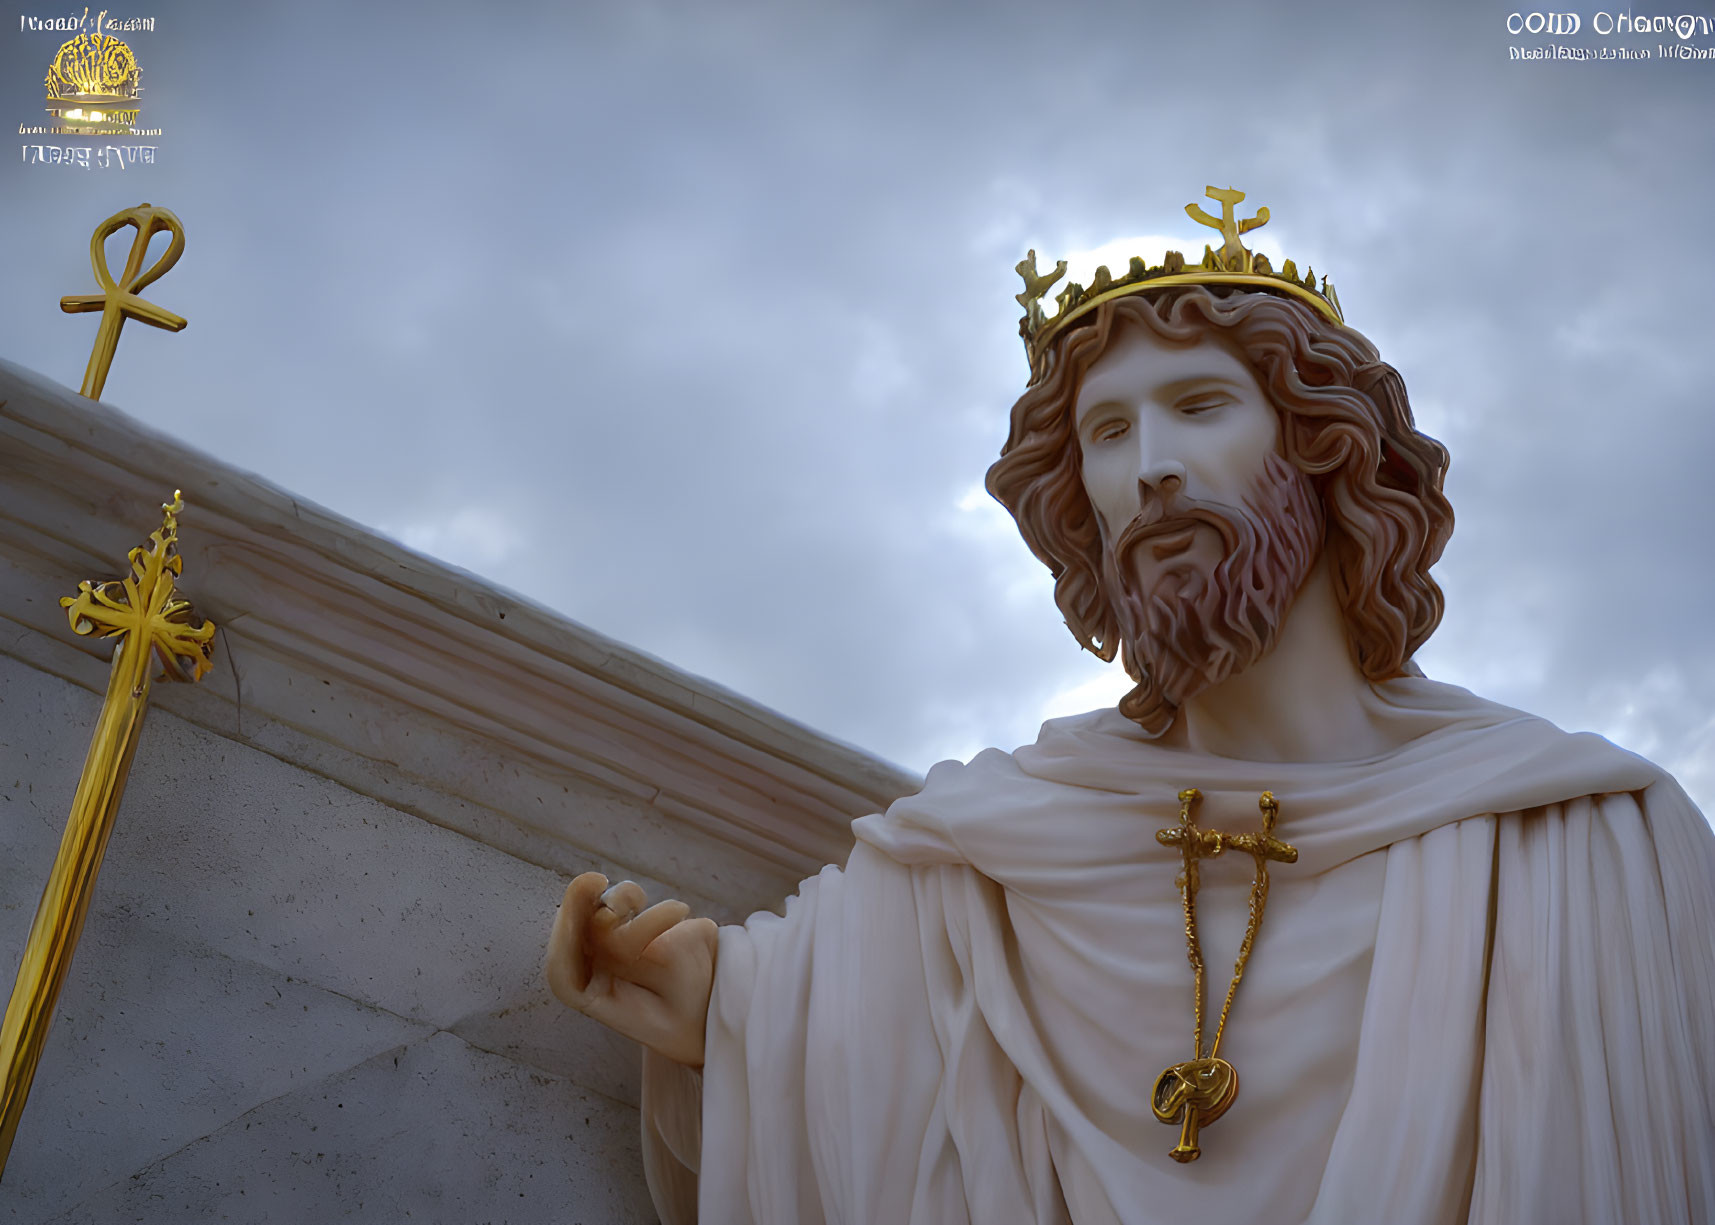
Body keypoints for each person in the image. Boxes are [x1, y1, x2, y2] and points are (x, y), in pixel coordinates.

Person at [544, 188, 1715, 1224]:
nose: (1149, 463)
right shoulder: (985, 850)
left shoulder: (1585, 834)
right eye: (1108, 432)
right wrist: (730, 1020)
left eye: (1200, 405)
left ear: (1323, 451)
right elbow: (823, 1045)